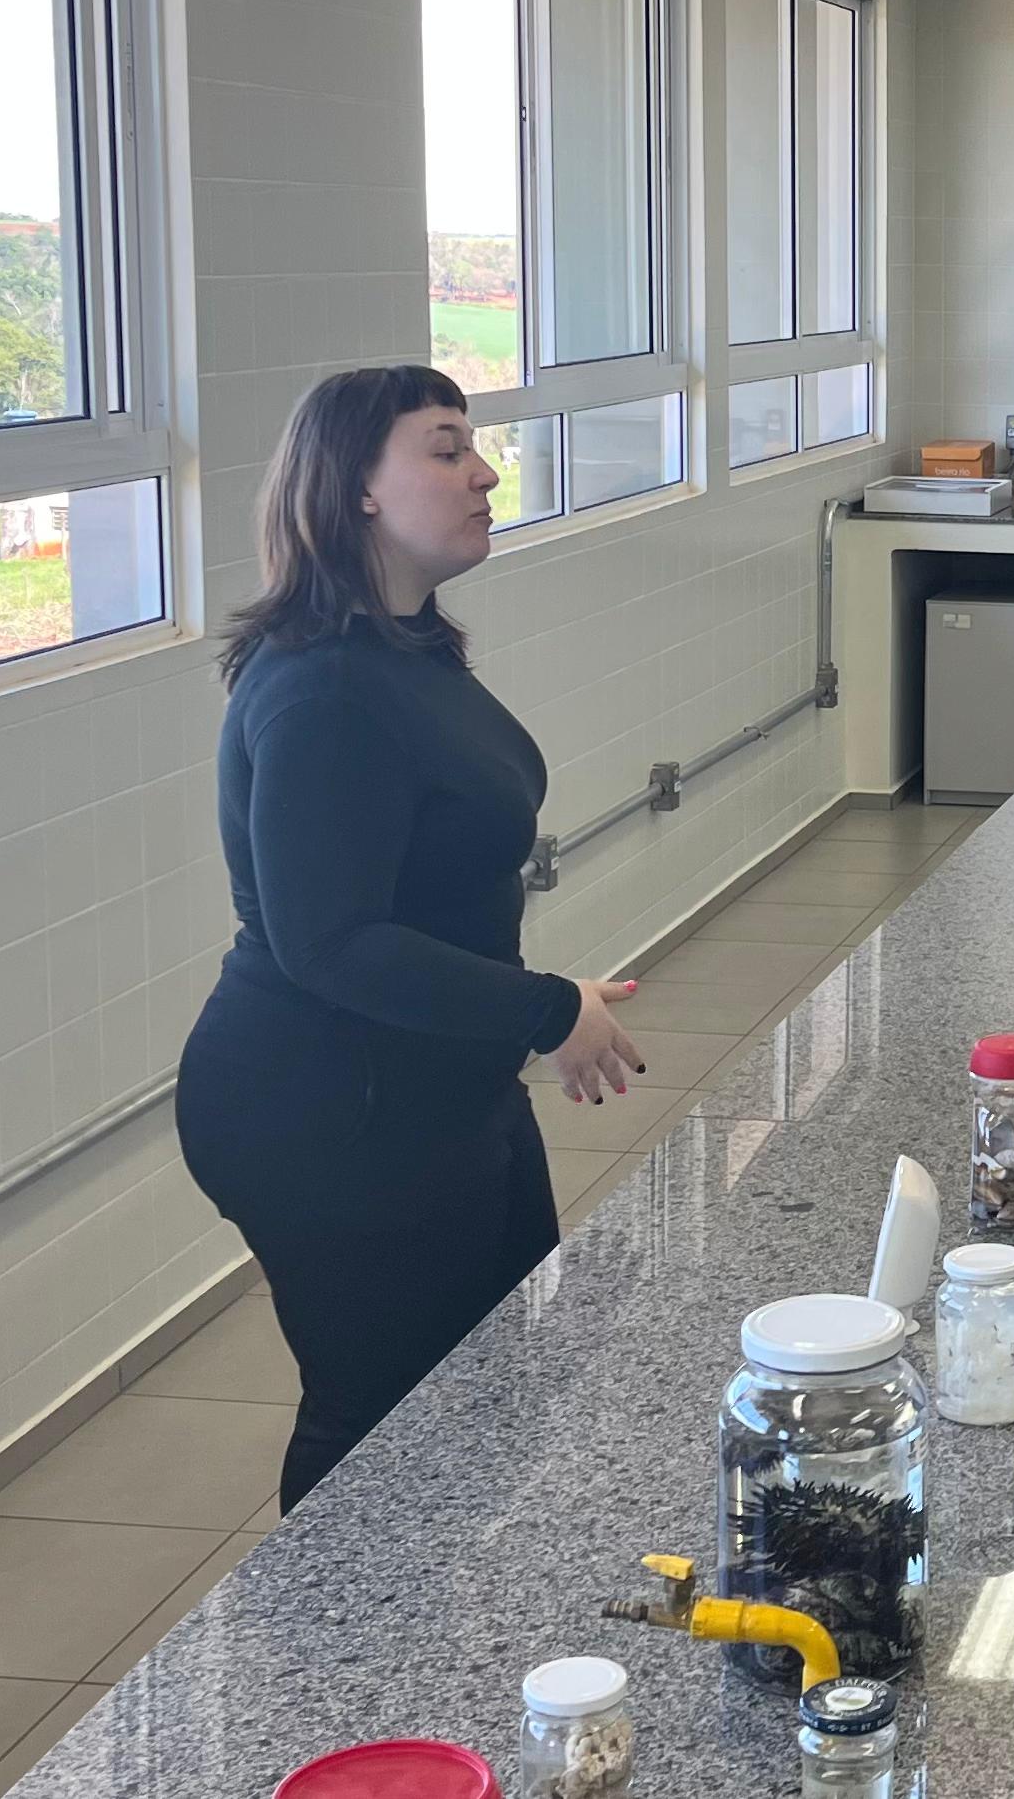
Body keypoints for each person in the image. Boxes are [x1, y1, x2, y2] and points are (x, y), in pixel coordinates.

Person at [176, 365, 649, 1509]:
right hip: (324, 1108)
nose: (483, 474)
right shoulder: (323, 688)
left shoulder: (403, 649)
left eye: (474, 446)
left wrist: (527, 1011)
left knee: (487, 1389)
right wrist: (546, 1009)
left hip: (432, 1079)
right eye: (445, 450)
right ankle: (332, 1626)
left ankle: (456, 1607)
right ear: (357, 488)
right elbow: (329, 942)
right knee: (378, 1423)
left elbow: (423, 899)